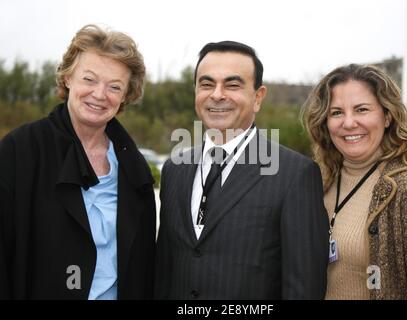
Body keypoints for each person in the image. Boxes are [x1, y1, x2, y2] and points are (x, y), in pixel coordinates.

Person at [155, 41, 329, 299]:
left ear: (258, 97)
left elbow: (303, 288)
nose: (217, 94)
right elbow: (165, 272)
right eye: (206, 84)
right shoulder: (174, 170)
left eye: (232, 85)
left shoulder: (295, 175)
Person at [0, 24, 156, 299]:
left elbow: (143, 265)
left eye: (114, 86)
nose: (99, 94)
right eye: (89, 79)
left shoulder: (134, 168)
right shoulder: (20, 150)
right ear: (68, 77)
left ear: (125, 96)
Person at [303, 63, 407, 299]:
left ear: (388, 116)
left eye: (361, 109)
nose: (348, 123)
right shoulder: (317, 182)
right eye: (337, 112)